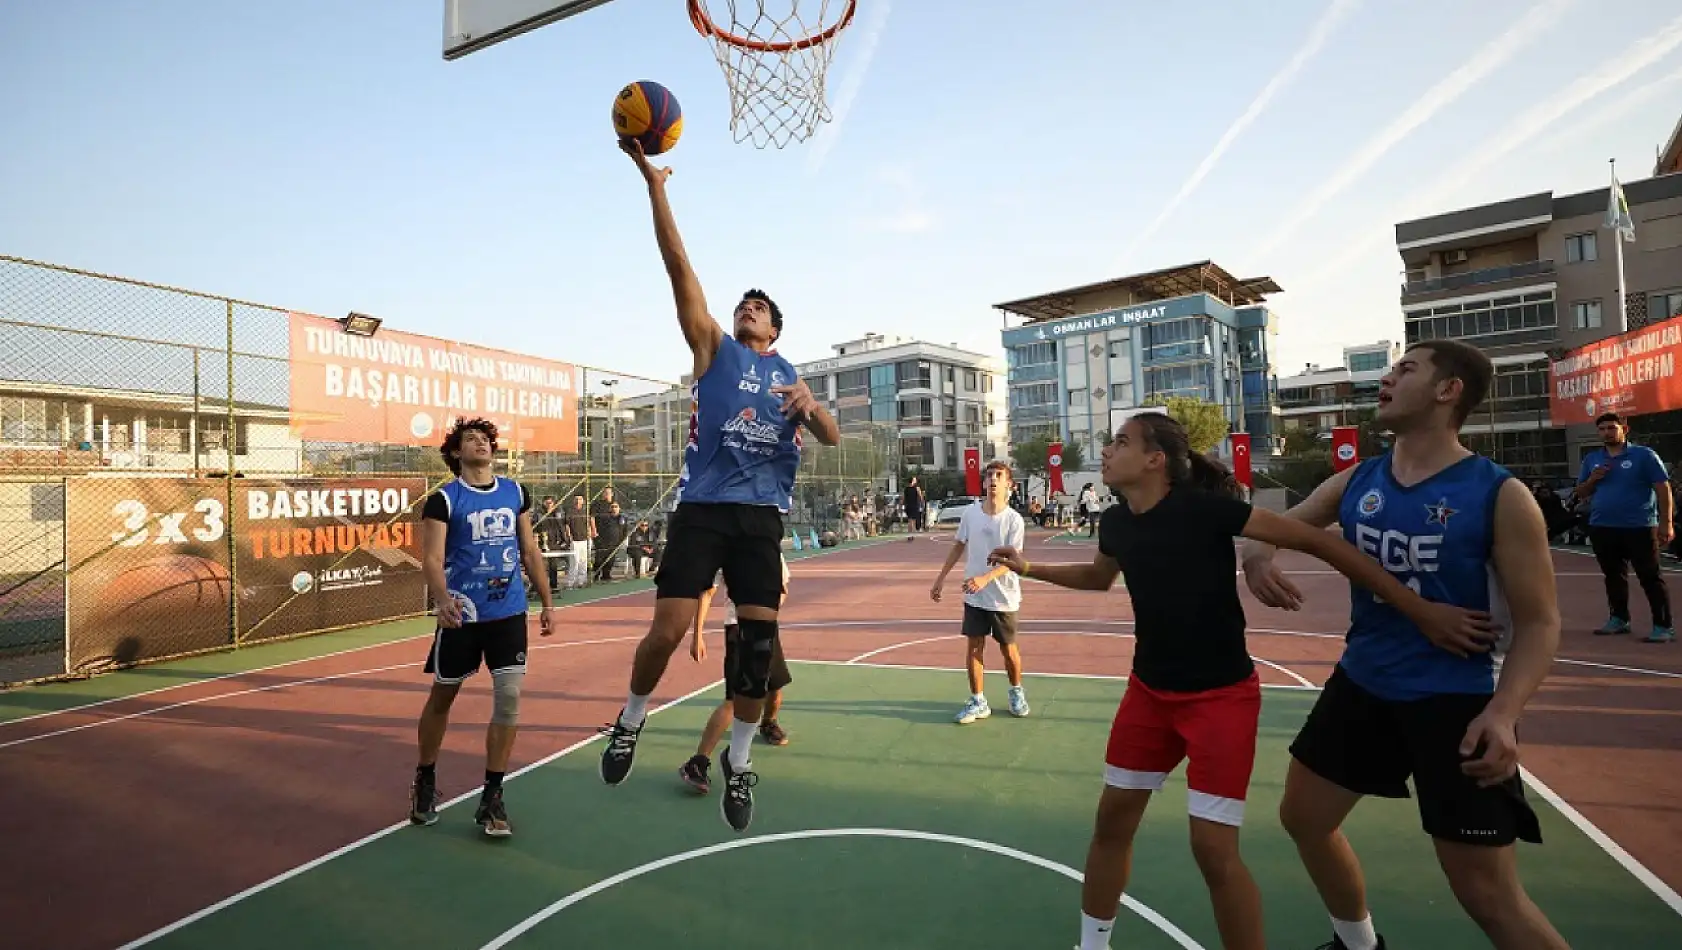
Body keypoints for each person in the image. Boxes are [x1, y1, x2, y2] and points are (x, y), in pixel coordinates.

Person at [986, 411, 1494, 950]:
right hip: (1148, 695)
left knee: (1212, 850)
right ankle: (1092, 944)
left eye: (1120, 442)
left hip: (1220, 700)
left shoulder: (1205, 512)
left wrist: (1418, 610)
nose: (1107, 451)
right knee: (1111, 823)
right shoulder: (1116, 524)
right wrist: (1030, 568)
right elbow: (1099, 576)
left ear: (1155, 460)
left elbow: (1323, 542)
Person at [1241, 339, 1567, 950]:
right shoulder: (1360, 479)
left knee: (1487, 894)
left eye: (1405, 369)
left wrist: (1504, 713)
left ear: (1449, 392)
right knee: (1304, 819)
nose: (1387, 380)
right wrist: (1258, 555)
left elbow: (1542, 623)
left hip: (1454, 701)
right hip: (1363, 683)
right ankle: (1359, 944)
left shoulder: (1500, 495)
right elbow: (1277, 525)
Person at [598, 137, 841, 834]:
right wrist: (656, 187)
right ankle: (632, 718)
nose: (748, 308)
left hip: (761, 518)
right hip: (704, 510)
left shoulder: (792, 377)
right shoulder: (714, 349)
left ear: (777, 326)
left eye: (760, 307)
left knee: (758, 656)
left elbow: (831, 440)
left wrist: (814, 409)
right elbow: (679, 268)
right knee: (668, 631)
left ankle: (737, 762)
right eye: (745, 303)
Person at [409, 418, 556, 838]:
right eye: (469, 439)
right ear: (456, 453)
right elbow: (432, 560)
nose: (479, 443)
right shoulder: (444, 500)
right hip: (463, 613)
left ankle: (493, 795)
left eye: (485, 439)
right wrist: (442, 600)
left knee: (509, 698)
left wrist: (545, 602)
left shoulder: (515, 492)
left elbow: (529, 549)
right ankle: (425, 776)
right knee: (443, 696)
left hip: (508, 613)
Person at [679, 555, 794, 795]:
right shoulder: (726, 552)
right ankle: (697, 762)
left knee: (775, 687)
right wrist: (697, 635)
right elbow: (707, 593)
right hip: (738, 629)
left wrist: (769, 609)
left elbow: (783, 588)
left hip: (766, 626)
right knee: (734, 700)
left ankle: (768, 723)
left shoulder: (770, 549)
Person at [931, 460, 1030, 723]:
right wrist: (940, 578)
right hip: (974, 594)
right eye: (989, 476)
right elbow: (957, 546)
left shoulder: (1014, 521)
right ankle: (978, 700)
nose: (993, 480)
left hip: (1003, 596)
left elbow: (1013, 562)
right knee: (974, 646)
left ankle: (1016, 691)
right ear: (984, 482)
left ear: (1009, 484)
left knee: (1008, 650)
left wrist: (986, 578)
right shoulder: (970, 514)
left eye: (999, 476)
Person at [1575, 412, 1674, 643]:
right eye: (1602, 429)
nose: (1607, 432)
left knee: (1649, 576)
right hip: (1603, 526)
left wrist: (1666, 523)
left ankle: (1663, 625)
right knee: (1613, 576)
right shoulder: (1592, 459)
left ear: (1624, 429)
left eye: (1612, 428)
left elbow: (1662, 488)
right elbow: (1580, 493)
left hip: (1639, 526)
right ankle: (1619, 618)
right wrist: (1592, 480)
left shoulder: (1644, 455)